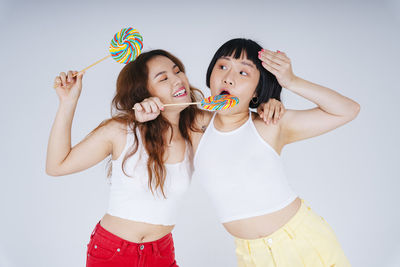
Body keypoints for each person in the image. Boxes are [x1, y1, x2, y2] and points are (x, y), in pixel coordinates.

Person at [46, 48, 285, 267]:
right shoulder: (122, 131)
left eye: (177, 70)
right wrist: (68, 102)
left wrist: (269, 102)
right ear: (145, 92)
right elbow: (57, 166)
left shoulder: (197, 130)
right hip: (113, 252)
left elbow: (239, 114)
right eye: (163, 78)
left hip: (161, 253)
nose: (177, 79)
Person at [192, 38, 360, 266]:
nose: (228, 78)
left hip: (302, 241)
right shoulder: (193, 126)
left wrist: (292, 81)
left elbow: (347, 110)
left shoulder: (270, 124)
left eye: (243, 73)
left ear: (256, 91)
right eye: (222, 66)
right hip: (250, 256)